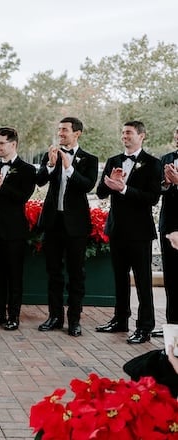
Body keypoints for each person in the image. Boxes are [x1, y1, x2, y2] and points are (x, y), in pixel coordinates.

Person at [95, 121, 162, 344]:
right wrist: (112, 182)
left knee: (143, 282)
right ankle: (120, 319)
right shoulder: (114, 161)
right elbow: (101, 192)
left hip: (140, 232)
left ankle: (145, 327)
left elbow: (152, 198)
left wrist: (123, 188)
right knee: (119, 278)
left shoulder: (153, 163)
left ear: (141, 136)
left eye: (129, 133)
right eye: (123, 132)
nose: (125, 136)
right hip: (117, 229)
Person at [36, 117, 98, 337]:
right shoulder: (49, 154)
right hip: (53, 222)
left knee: (76, 274)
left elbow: (88, 185)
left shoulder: (89, 159)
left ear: (77, 133)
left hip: (76, 225)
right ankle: (54, 317)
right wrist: (51, 165)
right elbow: (40, 181)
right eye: (59, 129)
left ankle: (74, 320)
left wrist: (69, 168)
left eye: (65, 130)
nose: (60, 133)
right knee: (53, 273)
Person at [0, 127, 36, 331]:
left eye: (1, 143)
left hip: (13, 231)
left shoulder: (27, 169)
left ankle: (14, 316)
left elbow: (22, 197)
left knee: (14, 274)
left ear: (13, 144)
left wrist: (1, 186)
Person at [155, 123, 178, 337]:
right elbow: (158, 188)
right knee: (170, 277)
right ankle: (172, 326)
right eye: (177, 132)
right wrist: (167, 183)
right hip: (169, 225)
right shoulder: (166, 158)